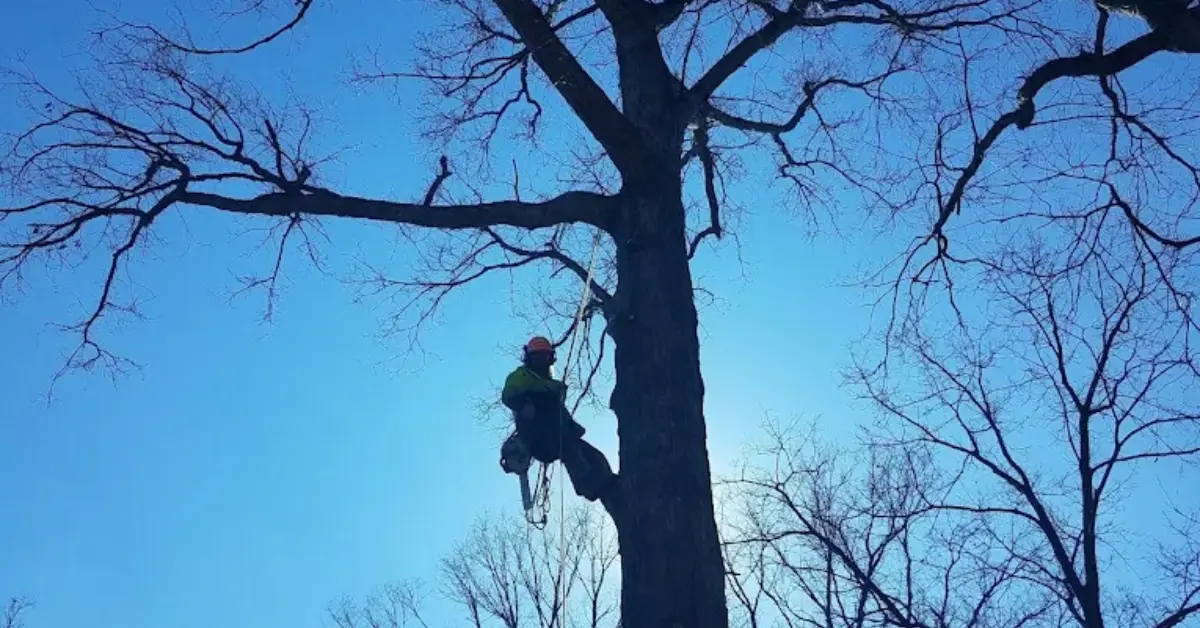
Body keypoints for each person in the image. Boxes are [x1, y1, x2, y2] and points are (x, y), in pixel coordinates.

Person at [500, 336, 618, 503]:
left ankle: (607, 481)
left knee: (592, 455)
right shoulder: (522, 375)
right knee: (571, 452)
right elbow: (509, 395)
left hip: (559, 433)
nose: (541, 360)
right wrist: (523, 403)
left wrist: (571, 426)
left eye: (545, 357)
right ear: (529, 357)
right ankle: (585, 484)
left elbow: (557, 409)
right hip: (537, 435)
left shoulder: (550, 384)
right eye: (537, 357)